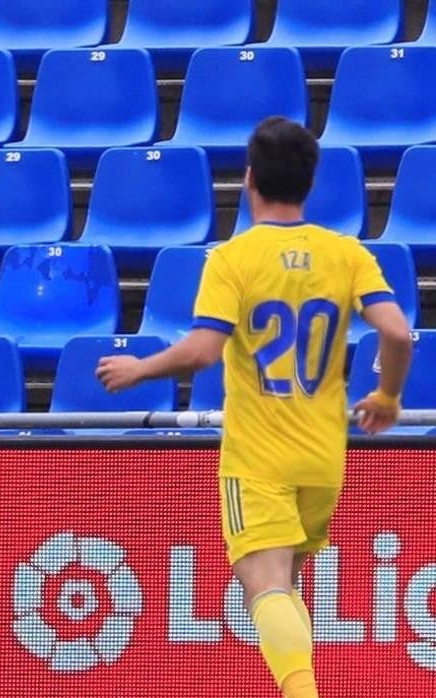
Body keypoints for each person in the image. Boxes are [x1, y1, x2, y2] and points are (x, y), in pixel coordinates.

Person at [96, 116, 413, 698]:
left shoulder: (233, 259)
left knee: (264, 586)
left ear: (248, 180)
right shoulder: (345, 254)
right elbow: (397, 334)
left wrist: (139, 368)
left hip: (259, 458)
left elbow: (203, 351)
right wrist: (388, 397)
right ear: (311, 184)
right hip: (324, 458)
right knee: (286, 587)